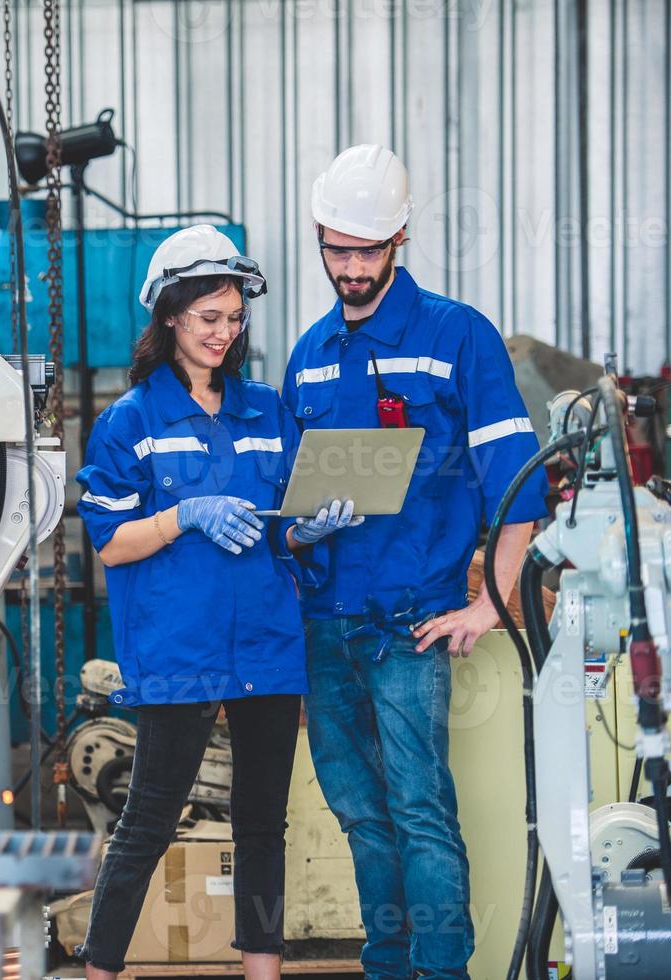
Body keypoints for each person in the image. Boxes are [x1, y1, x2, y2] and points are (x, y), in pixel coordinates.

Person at [281, 145, 549, 980]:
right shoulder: (310, 353)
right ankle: (386, 968)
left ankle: (443, 972)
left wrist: (488, 605)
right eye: (336, 250)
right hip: (326, 626)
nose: (351, 269)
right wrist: (295, 531)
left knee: (420, 810)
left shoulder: (455, 337)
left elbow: (519, 487)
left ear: (400, 237)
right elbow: (286, 496)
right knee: (361, 815)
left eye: (366, 251)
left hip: (411, 627)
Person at [74, 225, 363, 980]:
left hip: (266, 642)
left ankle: (261, 973)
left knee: (264, 822)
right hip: (179, 649)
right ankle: (99, 970)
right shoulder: (131, 421)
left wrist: (309, 529)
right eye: (208, 317)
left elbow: (280, 533)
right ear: (170, 315)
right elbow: (110, 542)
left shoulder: (267, 411)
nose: (224, 333)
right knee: (147, 822)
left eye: (234, 318)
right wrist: (183, 516)